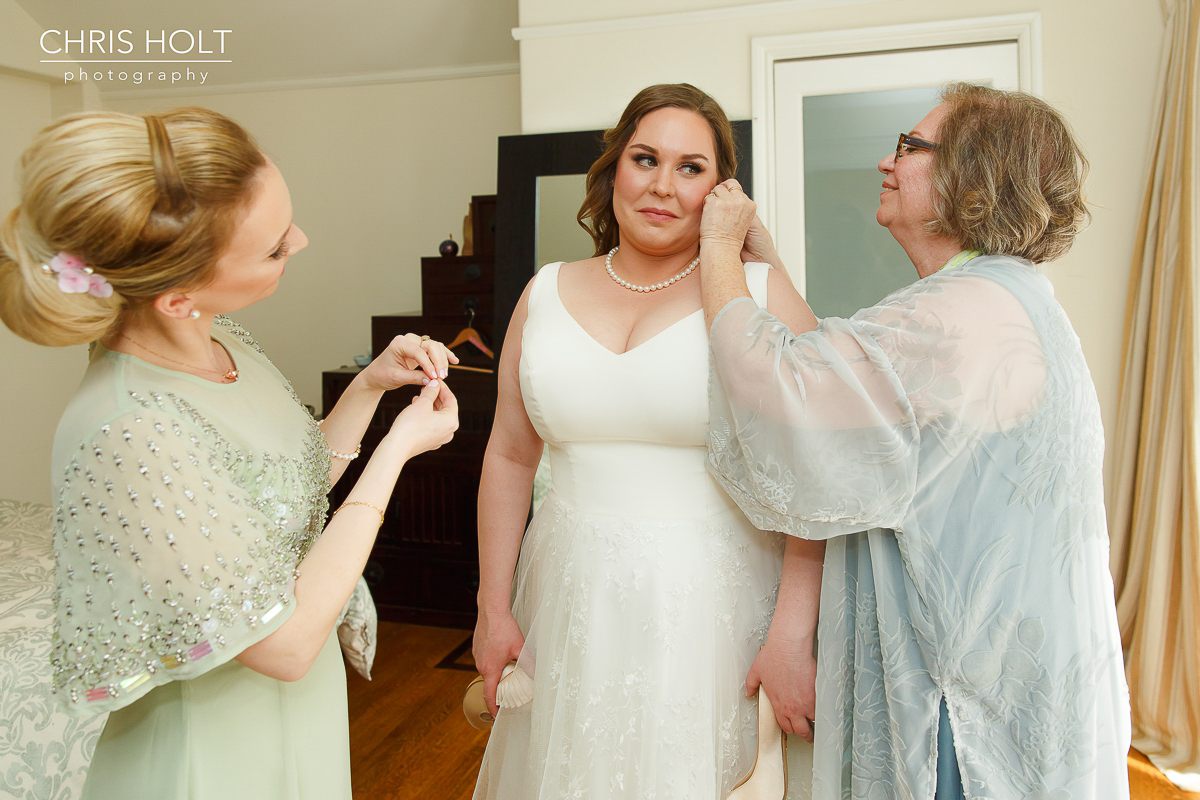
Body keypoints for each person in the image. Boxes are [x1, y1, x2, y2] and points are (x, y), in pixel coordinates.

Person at [0, 107, 460, 799]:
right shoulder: (130, 426)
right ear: (177, 298)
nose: (300, 241)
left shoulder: (225, 343)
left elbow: (291, 491)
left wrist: (370, 388)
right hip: (210, 754)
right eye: (275, 247)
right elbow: (285, 644)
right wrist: (396, 452)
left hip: (295, 719)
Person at [698, 83, 1131, 799]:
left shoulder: (955, 316)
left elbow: (775, 386)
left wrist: (717, 247)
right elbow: (858, 386)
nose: (885, 162)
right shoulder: (1007, 295)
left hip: (966, 707)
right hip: (1022, 676)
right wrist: (764, 260)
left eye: (910, 147)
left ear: (971, 175)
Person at [471, 84, 821, 798]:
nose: (663, 185)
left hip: (710, 613)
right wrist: (492, 606)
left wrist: (791, 634)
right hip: (569, 603)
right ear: (613, 172)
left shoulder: (758, 291)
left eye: (691, 167)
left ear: (721, 192)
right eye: (645, 158)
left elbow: (817, 476)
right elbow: (509, 455)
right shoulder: (543, 292)